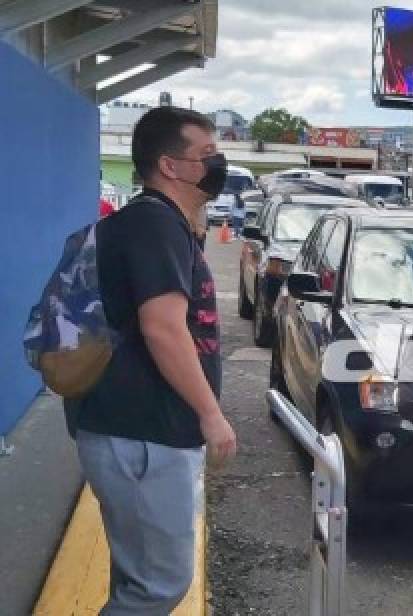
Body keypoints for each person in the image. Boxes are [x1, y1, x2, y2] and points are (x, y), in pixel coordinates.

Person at [65, 106, 237, 613]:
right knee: (158, 586)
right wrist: (211, 414)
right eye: (205, 155)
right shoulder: (153, 225)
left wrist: (197, 211)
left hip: (132, 431)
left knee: (136, 580)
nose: (217, 164)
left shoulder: (161, 223)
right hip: (143, 435)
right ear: (169, 165)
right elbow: (163, 329)